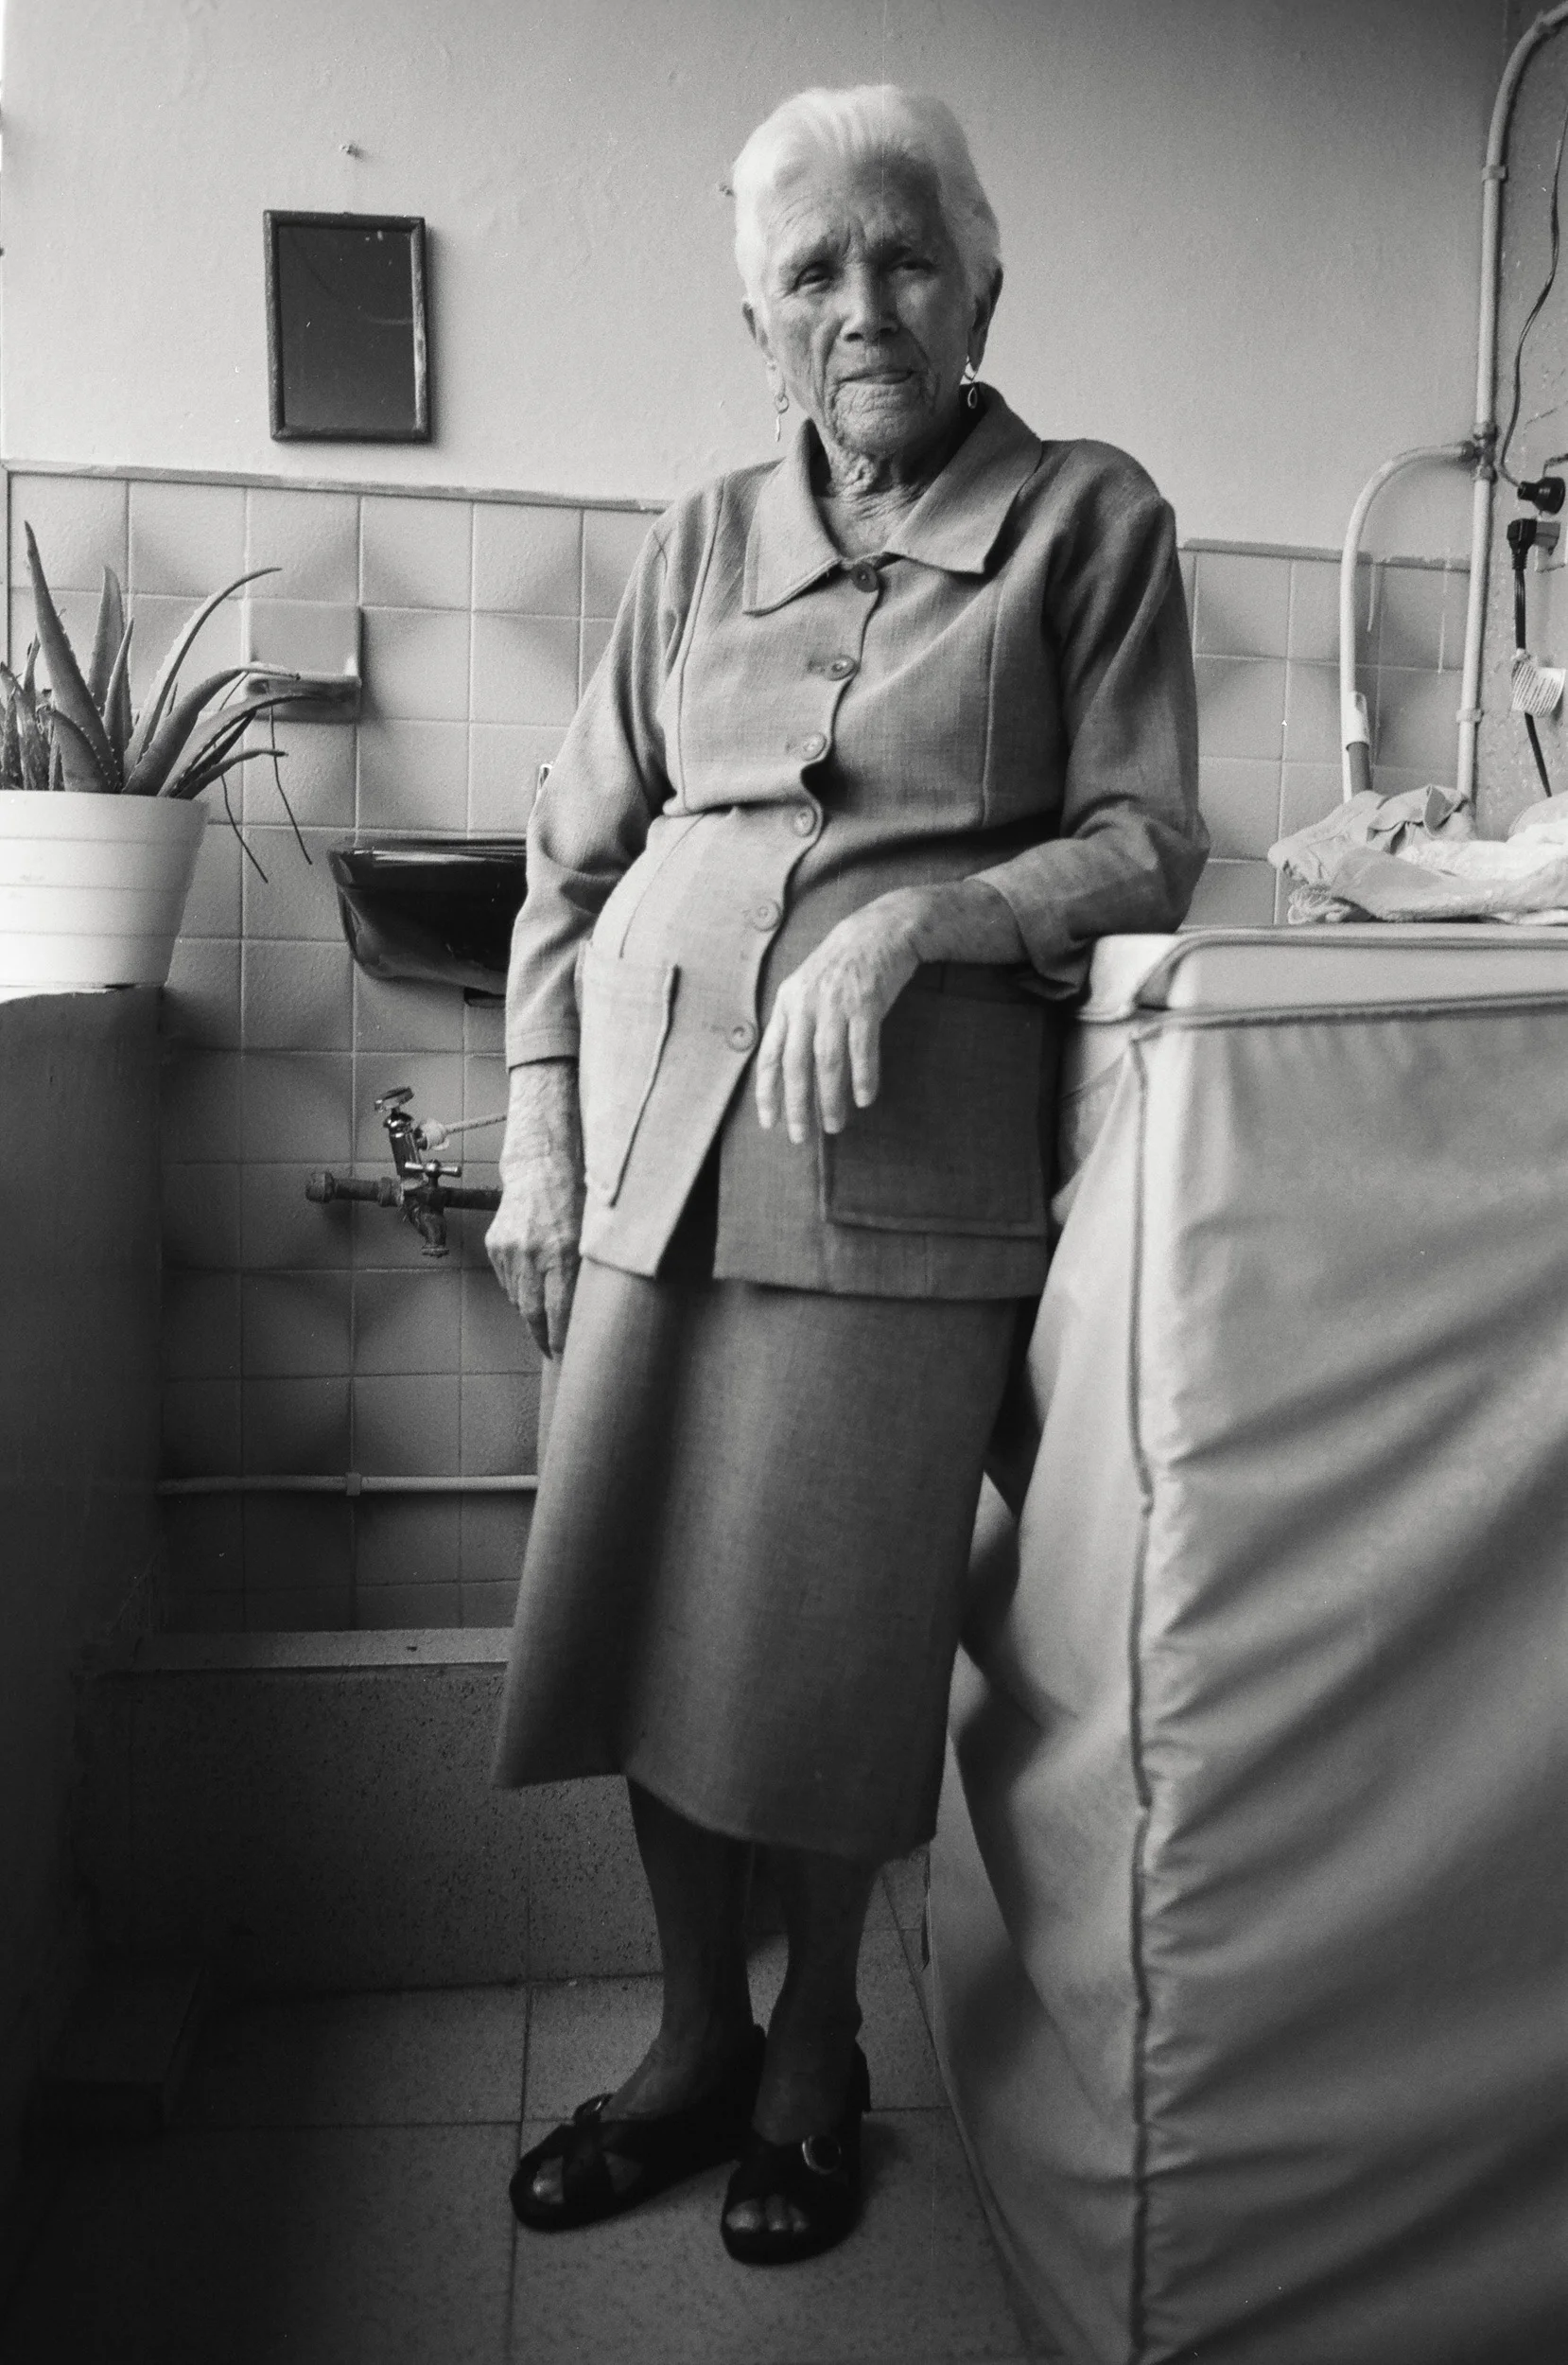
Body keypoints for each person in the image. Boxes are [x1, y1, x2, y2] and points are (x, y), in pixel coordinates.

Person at [486, 81, 1205, 2266]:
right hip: (650, 1159)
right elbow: (568, 865)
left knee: (812, 1651)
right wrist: (540, 1131)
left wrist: (927, 921)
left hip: (894, 1188)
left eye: (905, 256)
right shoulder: (698, 539)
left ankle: (813, 2057)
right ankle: (692, 2035)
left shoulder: (1085, 518)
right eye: (811, 269)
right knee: (639, 1620)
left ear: (982, 288)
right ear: (758, 323)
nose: (862, 301)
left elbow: (1145, 836)